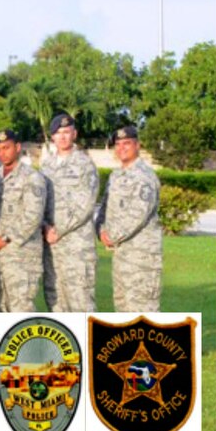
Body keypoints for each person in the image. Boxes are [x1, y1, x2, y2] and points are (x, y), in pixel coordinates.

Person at [98, 126, 162, 312]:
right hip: (121, 256)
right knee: (123, 312)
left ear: (137, 145)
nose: (121, 148)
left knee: (144, 313)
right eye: (118, 144)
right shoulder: (116, 176)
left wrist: (112, 236)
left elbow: (138, 215)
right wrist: (101, 230)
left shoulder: (145, 177)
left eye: (127, 143)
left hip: (142, 260)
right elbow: (105, 207)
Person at [41, 113, 99, 312]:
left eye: (67, 132)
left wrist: (59, 230)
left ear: (74, 134)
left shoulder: (85, 165)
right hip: (52, 248)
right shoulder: (46, 165)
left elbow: (86, 204)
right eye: (58, 133)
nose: (63, 137)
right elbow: (39, 200)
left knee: (81, 303)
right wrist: (44, 226)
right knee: (55, 301)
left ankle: (86, 343)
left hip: (77, 247)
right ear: (53, 137)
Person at [0, 129, 46, 312]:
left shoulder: (32, 177)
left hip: (21, 256)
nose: (2, 152)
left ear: (18, 147)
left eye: (6, 147)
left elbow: (33, 215)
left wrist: (4, 239)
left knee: (21, 311)